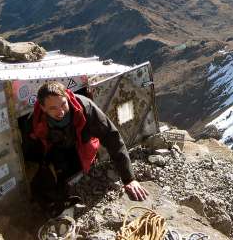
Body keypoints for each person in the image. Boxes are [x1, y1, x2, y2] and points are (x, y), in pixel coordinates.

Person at [23, 81, 148, 214]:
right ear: (42, 108)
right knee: (52, 180)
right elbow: (31, 152)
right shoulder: (35, 121)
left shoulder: (85, 108)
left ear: (67, 96)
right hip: (56, 150)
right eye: (53, 108)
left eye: (63, 104)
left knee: (79, 172)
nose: (60, 112)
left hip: (81, 146)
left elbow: (112, 137)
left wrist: (129, 179)